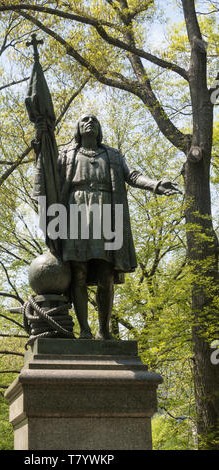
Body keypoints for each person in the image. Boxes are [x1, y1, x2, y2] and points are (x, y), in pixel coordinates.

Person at [55, 113, 180, 340]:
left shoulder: (112, 154)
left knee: (106, 274)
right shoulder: (65, 154)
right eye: (84, 120)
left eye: (94, 119)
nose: (89, 122)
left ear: (100, 128)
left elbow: (132, 175)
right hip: (75, 211)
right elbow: (46, 174)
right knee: (78, 272)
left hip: (106, 214)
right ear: (78, 129)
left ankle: (104, 331)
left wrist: (156, 184)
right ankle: (84, 331)